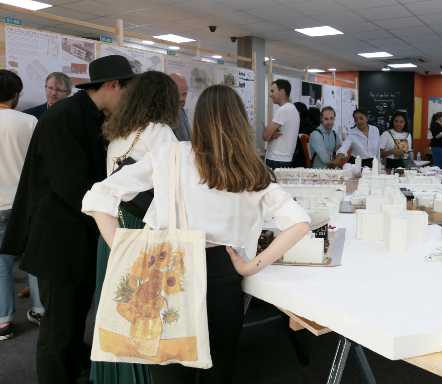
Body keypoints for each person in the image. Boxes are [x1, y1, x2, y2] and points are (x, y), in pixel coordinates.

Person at [81, 84, 311, 384]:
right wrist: (251, 265)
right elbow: (299, 223)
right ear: (240, 121)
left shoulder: (171, 155)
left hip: (168, 268)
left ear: (197, 118)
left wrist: (125, 249)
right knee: (218, 368)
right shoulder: (248, 167)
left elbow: (100, 195)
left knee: (169, 367)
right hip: (223, 271)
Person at [0, 55, 134, 384]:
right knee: (59, 325)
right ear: (113, 85)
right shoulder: (65, 118)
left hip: (78, 236)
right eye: (127, 91)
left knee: (75, 317)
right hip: (59, 239)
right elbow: (72, 185)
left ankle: (74, 366)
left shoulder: (87, 115)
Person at [91, 71, 180, 384]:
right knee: (144, 313)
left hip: (112, 230)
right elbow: (170, 190)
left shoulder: (118, 133)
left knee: (117, 310)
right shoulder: (160, 133)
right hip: (143, 231)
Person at [0, 70, 40, 341]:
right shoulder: (30, 122)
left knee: (1, 265)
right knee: (35, 259)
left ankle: (3, 322)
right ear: (16, 95)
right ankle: (40, 310)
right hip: (25, 203)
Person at [263, 79, 300, 170]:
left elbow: (265, 136)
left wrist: (269, 134)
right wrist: (271, 134)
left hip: (276, 160)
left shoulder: (284, 110)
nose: (270, 94)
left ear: (282, 91)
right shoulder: (293, 109)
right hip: (285, 159)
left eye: (273, 91)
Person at [169, 73, 191, 141]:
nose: (181, 98)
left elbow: (188, 140)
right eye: (177, 94)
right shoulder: (161, 114)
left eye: (184, 94)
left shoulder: (181, 111)